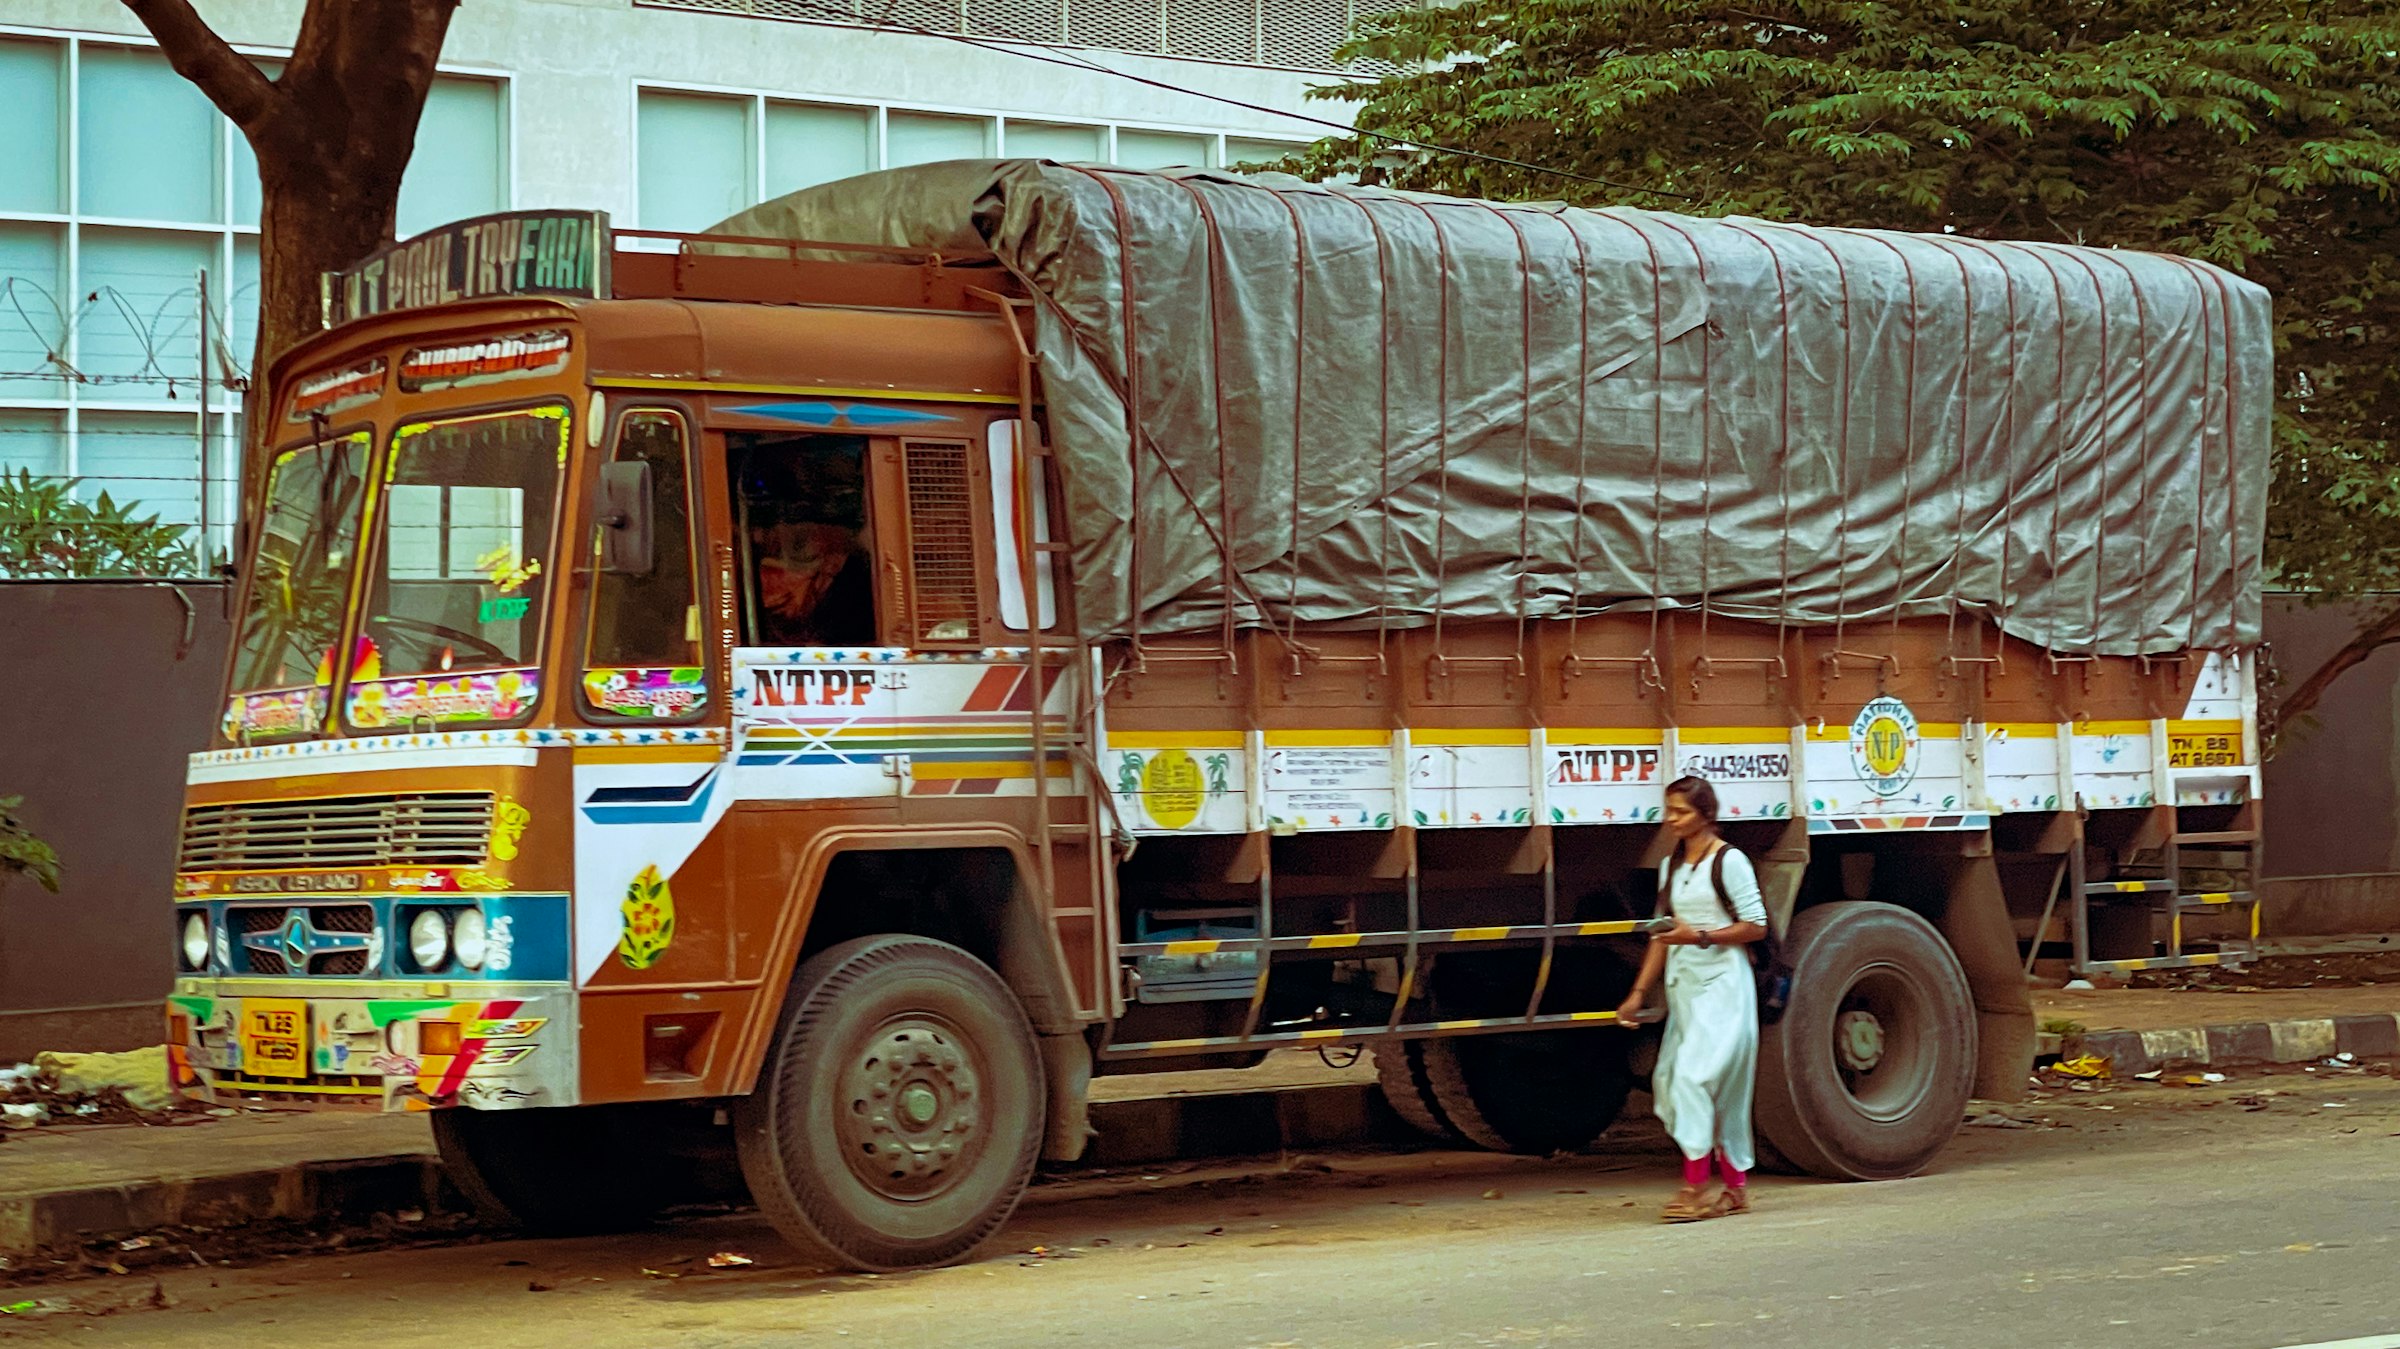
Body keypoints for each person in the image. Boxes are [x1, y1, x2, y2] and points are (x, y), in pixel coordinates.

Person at [1616, 775, 1769, 1222]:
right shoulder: (1673, 866)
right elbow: (1663, 937)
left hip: (1724, 986)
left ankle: (1695, 1187)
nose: (1672, 820)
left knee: (1693, 1079)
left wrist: (1700, 936)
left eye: (1681, 812)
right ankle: (1735, 1189)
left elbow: (1755, 925)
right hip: (1686, 991)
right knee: (1676, 1081)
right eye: (1669, 810)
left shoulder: (1730, 861)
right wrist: (1638, 993)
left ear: (1705, 814)